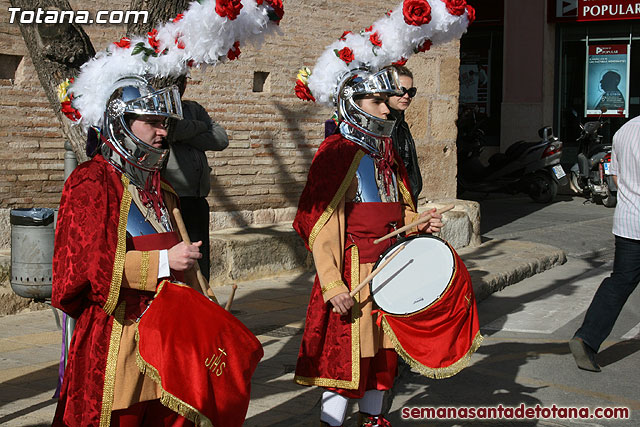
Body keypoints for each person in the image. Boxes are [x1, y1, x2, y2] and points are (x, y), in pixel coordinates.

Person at [293, 67, 444, 427]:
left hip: (391, 270)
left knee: (384, 356)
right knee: (346, 359)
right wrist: (332, 283)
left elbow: (400, 210)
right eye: (376, 101)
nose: (386, 109)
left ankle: (374, 420)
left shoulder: (386, 153)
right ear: (352, 102)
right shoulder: (336, 153)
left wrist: (418, 222)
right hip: (354, 270)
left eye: (385, 101)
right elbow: (320, 226)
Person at [52, 76, 203, 426]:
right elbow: (89, 267)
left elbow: (188, 266)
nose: (162, 132)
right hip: (119, 337)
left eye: (165, 123)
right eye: (151, 122)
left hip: (171, 339)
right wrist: (165, 260)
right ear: (121, 120)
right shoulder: (92, 180)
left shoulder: (161, 189)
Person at [569, 114, 640, 372]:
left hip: (629, 221)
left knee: (620, 282)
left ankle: (586, 339)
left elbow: (617, 178)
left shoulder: (625, 131)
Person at [162, 75, 229, 281]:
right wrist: (200, 127)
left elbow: (220, 138)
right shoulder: (160, 111)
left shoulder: (193, 108)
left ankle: (204, 298)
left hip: (197, 198)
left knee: (200, 258)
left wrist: (186, 131)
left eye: (182, 82)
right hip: (174, 199)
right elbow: (171, 131)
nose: (180, 87)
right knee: (182, 260)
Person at [386, 65, 423, 203]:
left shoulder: (402, 124)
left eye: (411, 91)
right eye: (401, 91)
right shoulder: (383, 127)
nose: (406, 96)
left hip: (407, 200)